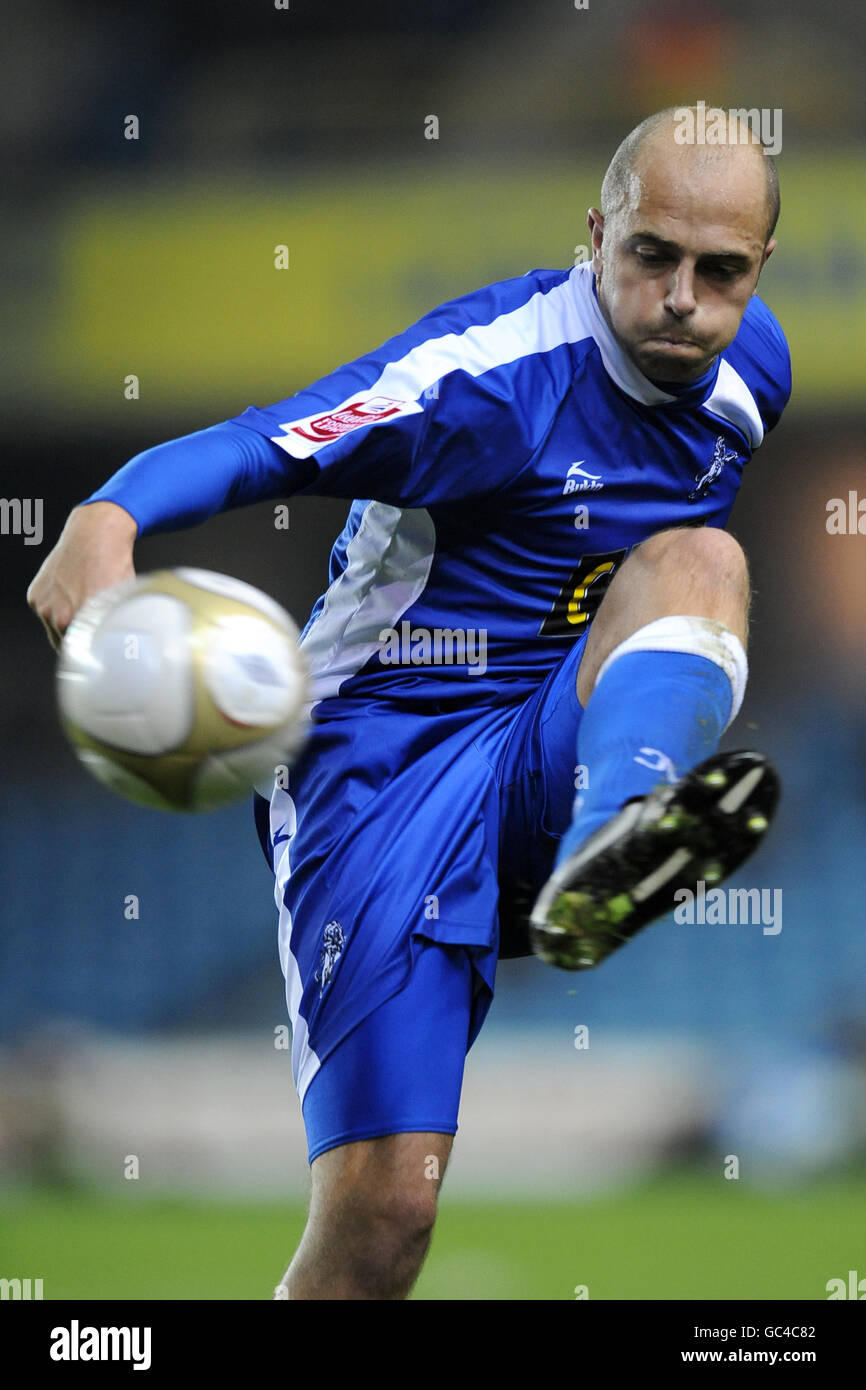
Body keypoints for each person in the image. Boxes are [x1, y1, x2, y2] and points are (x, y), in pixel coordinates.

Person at [28, 106, 791, 1300]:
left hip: (546, 746)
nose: (680, 296)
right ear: (594, 236)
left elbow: (653, 588)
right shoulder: (480, 380)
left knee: (701, 565)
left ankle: (616, 838)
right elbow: (268, 443)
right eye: (649, 255)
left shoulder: (753, 375)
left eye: (718, 270)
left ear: (757, 270)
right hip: (376, 763)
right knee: (385, 1219)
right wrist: (108, 513)